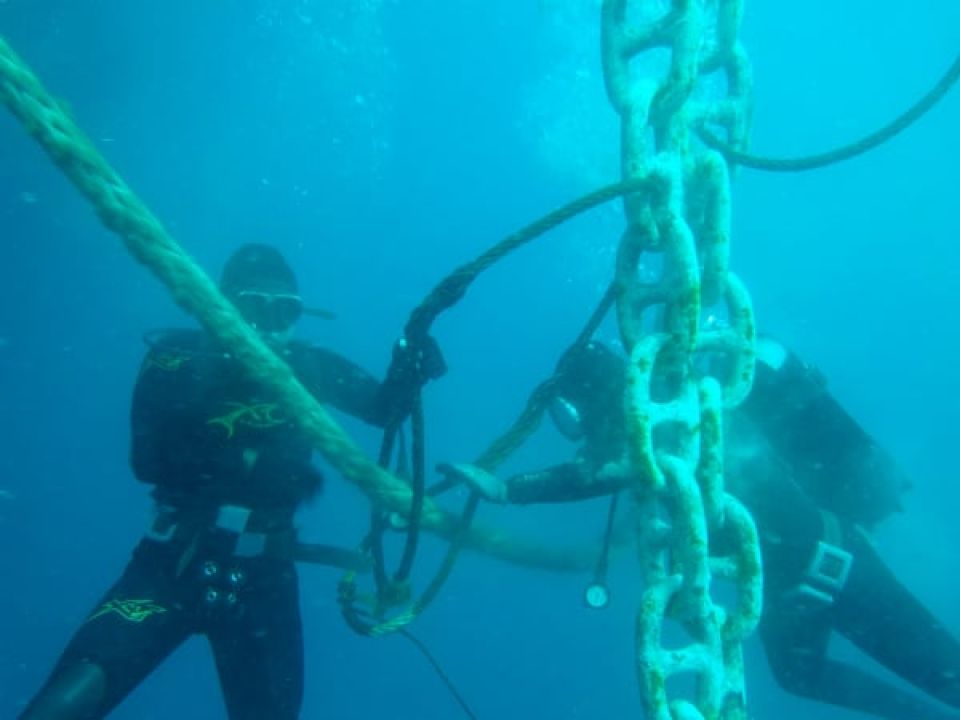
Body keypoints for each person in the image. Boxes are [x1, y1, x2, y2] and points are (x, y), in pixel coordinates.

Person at [19, 243, 445, 720]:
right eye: (254, 306)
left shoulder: (309, 366)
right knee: (76, 689)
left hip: (264, 576)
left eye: (285, 310)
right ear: (221, 307)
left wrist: (409, 368)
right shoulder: (175, 356)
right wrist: (225, 376)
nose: (270, 322)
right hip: (173, 562)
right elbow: (147, 463)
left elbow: (385, 409)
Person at [440, 338, 960, 720]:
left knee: (947, 673)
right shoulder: (652, 436)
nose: (582, 431)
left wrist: (511, 489)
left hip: (841, 568)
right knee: (798, 676)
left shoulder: (687, 413)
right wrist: (509, 489)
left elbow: (596, 473)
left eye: (577, 414)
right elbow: (601, 470)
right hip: (789, 590)